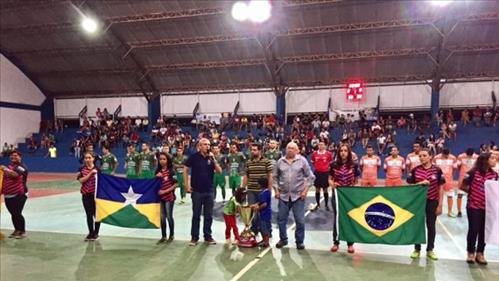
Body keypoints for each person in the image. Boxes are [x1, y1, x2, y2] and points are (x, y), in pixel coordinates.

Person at [273, 141, 315, 250]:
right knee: (281, 219)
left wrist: (305, 191)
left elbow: (311, 177)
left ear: (297, 150)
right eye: (288, 148)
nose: (290, 150)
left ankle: (299, 242)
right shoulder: (280, 162)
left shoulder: (302, 161)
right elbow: (274, 177)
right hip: (283, 196)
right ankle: (283, 240)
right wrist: (276, 190)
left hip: (298, 196)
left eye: (292, 148)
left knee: (300, 220)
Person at [407, 148, 445, 261]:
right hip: (418, 202)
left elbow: (441, 187)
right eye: (420, 156)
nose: (421, 157)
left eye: (424, 155)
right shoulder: (415, 170)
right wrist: (420, 183)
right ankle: (417, 249)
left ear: (430, 157)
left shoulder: (437, 170)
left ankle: (430, 249)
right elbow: (410, 185)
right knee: (418, 225)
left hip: (432, 201)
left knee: (431, 225)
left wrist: (440, 205)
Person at [460, 153, 498, 265]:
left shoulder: (495, 175)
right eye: (492, 158)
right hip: (474, 206)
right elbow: (462, 186)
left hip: (489, 208)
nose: (495, 160)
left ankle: (480, 253)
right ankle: (470, 252)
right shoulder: (472, 173)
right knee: (474, 229)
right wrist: (473, 193)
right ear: (485, 160)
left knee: (484, 231)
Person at [184, 138, 222, 246]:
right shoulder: (194, 157)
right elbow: (185, 169)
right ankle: (194, 237)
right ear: (199, 146)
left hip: (209, 191)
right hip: (197, 191)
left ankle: (208, 236)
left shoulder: (211, 158)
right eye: (205, 144)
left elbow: (219, 171)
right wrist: (187, 185)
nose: (207, 146)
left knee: (208, 215)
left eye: (208, 144)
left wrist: (214, 159)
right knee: (196, 215)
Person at [329, 144, 360, 254]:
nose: (343, 152)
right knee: (337, 218)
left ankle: (350, 244)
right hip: (337, 194)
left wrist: (352, 185)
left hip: (349, 195)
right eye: (341, 150)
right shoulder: (333, 165)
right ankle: (336, 242)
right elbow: (330, 179)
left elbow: (356, 179)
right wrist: (333, 184)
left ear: (349, 152)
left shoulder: (354, 165)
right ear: (338, 152)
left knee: (349, 218)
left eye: (345, 150)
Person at [243, 143, 273, 240]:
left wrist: (269, 189)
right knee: (253, 212)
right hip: (251, 190)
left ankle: (267, 232)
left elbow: (270, 176)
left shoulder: (266, 162)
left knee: (264, 213)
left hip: (262, 192)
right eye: (252, 149)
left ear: (260, 150)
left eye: (255, 149)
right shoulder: (248, 162)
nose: (253, 151)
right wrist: (243, 189)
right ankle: (254, 230)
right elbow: (246, 176)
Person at [0, 150, 28, 239]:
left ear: (20, 157)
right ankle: (17, 230)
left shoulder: (21, 167)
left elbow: (15, 175)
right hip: (8, 194)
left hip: (19, 194)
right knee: (13, 213)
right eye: (12, 156)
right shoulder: (10, 166)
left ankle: (22, 231)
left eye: (16, 155)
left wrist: (4, 169)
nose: (13, 157)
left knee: (17, 213)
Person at [77, 152, 100, 241]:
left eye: (89, 158)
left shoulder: (98, 169)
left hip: (96, 196)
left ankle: (96, 233)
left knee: (97, 215)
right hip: (86, 196)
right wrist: (90, 174)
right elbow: (81, 180)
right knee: (89, 215)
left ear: (93, 158)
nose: (87, 159)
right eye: (86, 158)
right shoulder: (82, 169)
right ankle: (90, 233)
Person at [155, 152, 177, 244]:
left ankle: (171, 235)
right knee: (162, 217)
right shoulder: (157, 172)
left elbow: (176, 184)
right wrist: (155, 177)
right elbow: (154, 185)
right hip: (160, 198)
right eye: (161, 159)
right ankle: (163, 236)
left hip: (169, 197)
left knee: (169, 216)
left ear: (168, 160)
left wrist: (165, 191)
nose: (162, 161)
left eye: (164, 159)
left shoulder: (172, 171)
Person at [433, 148, 458, 217]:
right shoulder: (436, 158)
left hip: (449, 181)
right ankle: (436, 210)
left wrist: (450, 176)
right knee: (436, 196)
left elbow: (454, 169)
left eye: (447, 155)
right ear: (442, 153)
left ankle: (449, 212)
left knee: (450, 195)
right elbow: (433, 169)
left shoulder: (453, 158)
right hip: (438, 181)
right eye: (445, 155)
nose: (446, 156)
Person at [310, 141, 333, 211]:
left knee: (325, 189)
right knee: (317, 189)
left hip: (325, 173)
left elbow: (331, 162)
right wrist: (318, 167)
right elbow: (313, 162)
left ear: (325, 146)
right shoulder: (314, 154)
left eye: (322, 145)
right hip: (317, 173)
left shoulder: (328, 154)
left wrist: (325, 168)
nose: (320, 146)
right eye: (319, 145)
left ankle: (326, 205)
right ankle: (318, 204)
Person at [456, 148, 478, 217]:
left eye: (470, 155)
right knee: (460, 195)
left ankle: (473, 210)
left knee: (473, 196)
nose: (469, 156)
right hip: (463, 178)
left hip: (473, 179)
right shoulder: (461, 156)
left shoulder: (477, 157)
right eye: (468, 155)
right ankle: (459, 211)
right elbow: (458, 167)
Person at [251, 178, 272, 247]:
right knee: (262, 228)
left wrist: (258, 208)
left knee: (264, 228)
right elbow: (260, 202)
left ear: (260, 185)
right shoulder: (265, 192)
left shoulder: (264, 193)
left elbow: (264, 204)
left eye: (258, 184)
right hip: (264, 214)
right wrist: (255, 205)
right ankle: (264, 240)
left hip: (264, 214)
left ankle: (266, 242)